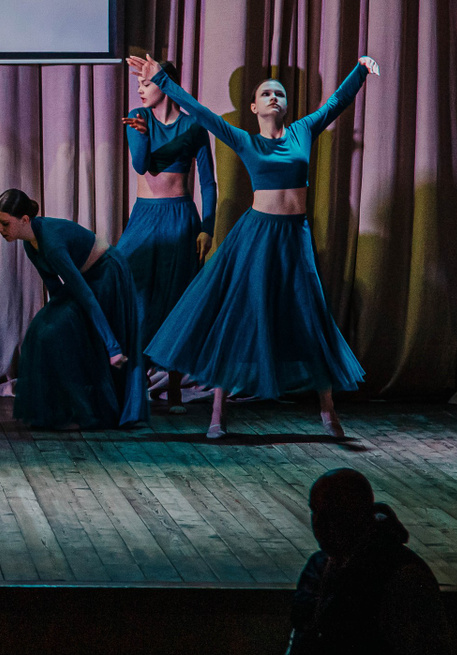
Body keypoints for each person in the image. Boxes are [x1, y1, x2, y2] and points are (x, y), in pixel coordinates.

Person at [126, 53, 377, 440]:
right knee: (238, 317)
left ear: (286, 106)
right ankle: (217, 413)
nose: (274, 96)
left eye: (279, 93)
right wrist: (162, 81)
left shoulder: (303, 131)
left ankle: (328, 410)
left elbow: (336, 103)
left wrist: (360, 70)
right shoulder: (244, 140)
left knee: (311, 315)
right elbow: (200, 112)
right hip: (257, 235)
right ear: (254, 107)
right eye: (266, 93)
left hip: (294, 237)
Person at [275, 467, 448, 655]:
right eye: (315, 512)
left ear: (358, 515)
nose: (318, 524)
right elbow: (301, 641)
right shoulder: (320, 565)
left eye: (333, 514)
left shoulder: (399, 575)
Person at [0, 189, 142, 431]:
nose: (0, 229)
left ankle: (86, 412)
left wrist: (112, 347)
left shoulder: (52, 244)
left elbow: (85, 295)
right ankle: (61, 411)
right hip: (85, 279)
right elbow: (55, 289)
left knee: (58, 332)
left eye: (4, 223)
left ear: (24, 220)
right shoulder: (30, 245)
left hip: (107, 273)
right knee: (42, 331)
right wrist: (59, 319)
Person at [118, 56, 218, 414]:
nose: (141, 90)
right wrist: (143, 137)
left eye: (147, 83)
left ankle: (174, 387)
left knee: (177, 301)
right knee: (134, 296)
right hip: (145, 218)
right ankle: (137, 381)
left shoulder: (195, 126)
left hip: (181, 218)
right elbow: (141, 164)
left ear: (166, 84)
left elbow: (208, 183)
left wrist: (207, 228)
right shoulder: (138, 117)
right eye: (139, 84)